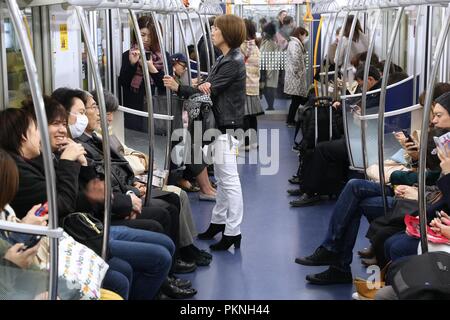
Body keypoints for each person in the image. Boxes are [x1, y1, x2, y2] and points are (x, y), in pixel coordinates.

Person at [164, 14, 246, 251]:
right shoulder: (226, 58)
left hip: (224, 127)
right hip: (218, 125)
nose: (212, 31)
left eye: (216, 28)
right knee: (221, 177)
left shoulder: (233, 61)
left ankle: (234, 231)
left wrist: (179, 87)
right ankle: (218, 223)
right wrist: (201, 85)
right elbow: (207, 86)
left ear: (227, 33)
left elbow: (208, 91)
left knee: (229, 180)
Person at [119, 15, 171, 132]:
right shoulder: (129, 55)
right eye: (142, 35)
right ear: (136, 34)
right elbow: (123, 83)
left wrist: (151, 67)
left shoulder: (164, 56)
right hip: (133, 108)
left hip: (156, 107)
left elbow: (167, 86)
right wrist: (132, 64)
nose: (146, 39)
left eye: (150, 36)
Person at [241, 19, 264, 150]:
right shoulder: (255, 45)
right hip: (254, 85)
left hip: (245, 85)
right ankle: (253, 141)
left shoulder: (243, 46)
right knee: (252, 116)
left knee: (244, 116)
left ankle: (246, 142)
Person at [285, 26, 309, 127]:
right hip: (295, 77)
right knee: (296, 100)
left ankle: (290, 120)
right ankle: (290, 121)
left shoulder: (294, 43)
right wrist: (299, 73)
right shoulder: (295, 44)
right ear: (300, 34)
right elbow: (295, 60)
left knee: (296, 100)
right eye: (304, 35)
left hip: (295, 77)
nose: (304, 37)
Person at [259, 22, 280, 111]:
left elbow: (271, 58)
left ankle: (270, 106)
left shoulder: (270, 43)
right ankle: (270, 105)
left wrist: (269, 71)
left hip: (269, 70)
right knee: (267, 88)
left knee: (269, 88)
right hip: (266, 69)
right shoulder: (267, 42)